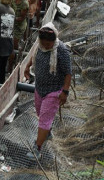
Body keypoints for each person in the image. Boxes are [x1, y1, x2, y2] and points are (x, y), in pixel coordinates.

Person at [24, 23, 72, 161]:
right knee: (40, 113)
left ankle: (37, 149)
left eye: (48, 44)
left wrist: (65, 92)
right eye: (43, 43)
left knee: (44, 119)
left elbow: (68, 73)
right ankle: (47, 132)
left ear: (53, 41)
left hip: (54, 91)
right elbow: (33, 57)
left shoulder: (61, 51)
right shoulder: (39, 46)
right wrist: (27, 67)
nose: (46, 46)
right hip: (40, 88)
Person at [8, 0, 29, 70]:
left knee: (14, 44)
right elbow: (9, 7)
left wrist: (12, 18)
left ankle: (13, 61)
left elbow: (22, 18)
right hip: (11, 23)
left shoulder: (25, 3)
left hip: (19, 26)